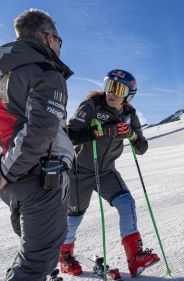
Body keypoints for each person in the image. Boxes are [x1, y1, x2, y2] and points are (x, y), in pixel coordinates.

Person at [59, 69, 159, 277]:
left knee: (126, 203)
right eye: (108, 86)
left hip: (106, 171)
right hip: (80, 171)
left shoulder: (130, 115)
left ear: (128, 95)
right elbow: (69, 135)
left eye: (118, 88)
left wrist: (130, 134)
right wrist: (98, 131)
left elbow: (141, 148)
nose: (111, 92)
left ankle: (135, 257)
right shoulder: (92, 106)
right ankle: (65, 257)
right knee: (74, 218)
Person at [0, 8, 74, 281]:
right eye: (59, 40)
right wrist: (5, 173)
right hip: (39, 177)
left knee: (30, 253)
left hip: (14, 180)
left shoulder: (6, 70)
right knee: (34, 266)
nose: (59, 47)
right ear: (47, 37)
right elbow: (39, 131)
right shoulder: (45, 71)